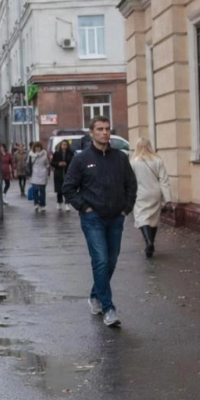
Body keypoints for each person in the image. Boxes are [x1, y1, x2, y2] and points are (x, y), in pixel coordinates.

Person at [62, 116, 137, 328]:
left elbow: (131, 185)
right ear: (91, 133)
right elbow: (68, 188)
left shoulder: (120, 158)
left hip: (116, 217)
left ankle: (95, 295)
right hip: (92, 218)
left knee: (111, 261)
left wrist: (126, 209)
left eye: (107, 129)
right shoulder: (82, 159)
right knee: (101, 260)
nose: (105, 132)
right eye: (100, 129)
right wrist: (84, 208)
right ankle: (108, 308)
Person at [130, 137, 172, 258]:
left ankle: (148, 242)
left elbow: (130, 181)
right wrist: (168, 199)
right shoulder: (157, 160)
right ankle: (151, 243)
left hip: (140, 193)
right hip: (155, 192)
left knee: (142, 217)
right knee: (153, 218)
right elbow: (164, 180)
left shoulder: (134, 162)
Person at [50, 139, 75, 212]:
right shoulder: (56, 153)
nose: (64, 146)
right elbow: (52, 163)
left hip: (67, 173)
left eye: (66, 144)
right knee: (59, 189)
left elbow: (73, 163)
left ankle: (67, 203)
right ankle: (59, 202)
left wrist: (67, 164)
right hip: (59, 173)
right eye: (63, 144)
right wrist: (58, 164)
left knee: (67, 189)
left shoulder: (70, 153)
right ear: (60, 145)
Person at [27, 141, 49, 212]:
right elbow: (28, 164)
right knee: (35, 190)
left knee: (42, 190)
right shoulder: (30, 155)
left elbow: (47, 164)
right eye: (36, 147)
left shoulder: (44, 154)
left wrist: (47, 173)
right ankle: (36, 204)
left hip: (43, 173)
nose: (37, 149)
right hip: (34, 173)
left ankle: (42, 205)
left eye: (39, 147)